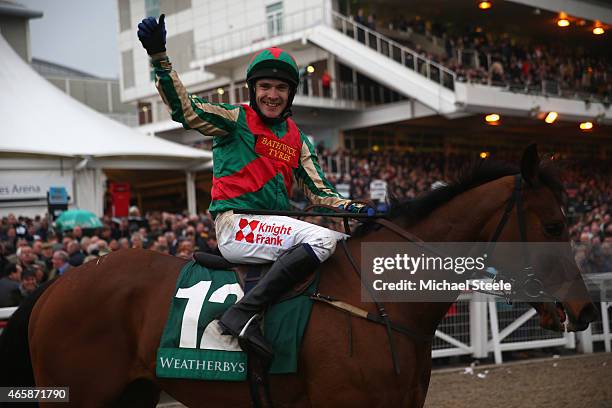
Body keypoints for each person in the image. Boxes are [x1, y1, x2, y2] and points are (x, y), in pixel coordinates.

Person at [138, 15, 375, 358]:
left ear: (291, 93)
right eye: (265, 87)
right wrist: (160, 57)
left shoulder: (299, 140)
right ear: (253, 90)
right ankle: (240, 316)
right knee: (321, 238)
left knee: (342, 243)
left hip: (272, 229)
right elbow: (186, 110)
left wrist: (353, 208)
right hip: (237, 226)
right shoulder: (234, 120)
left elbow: (321, 194)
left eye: (281, 88)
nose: (272, 95)